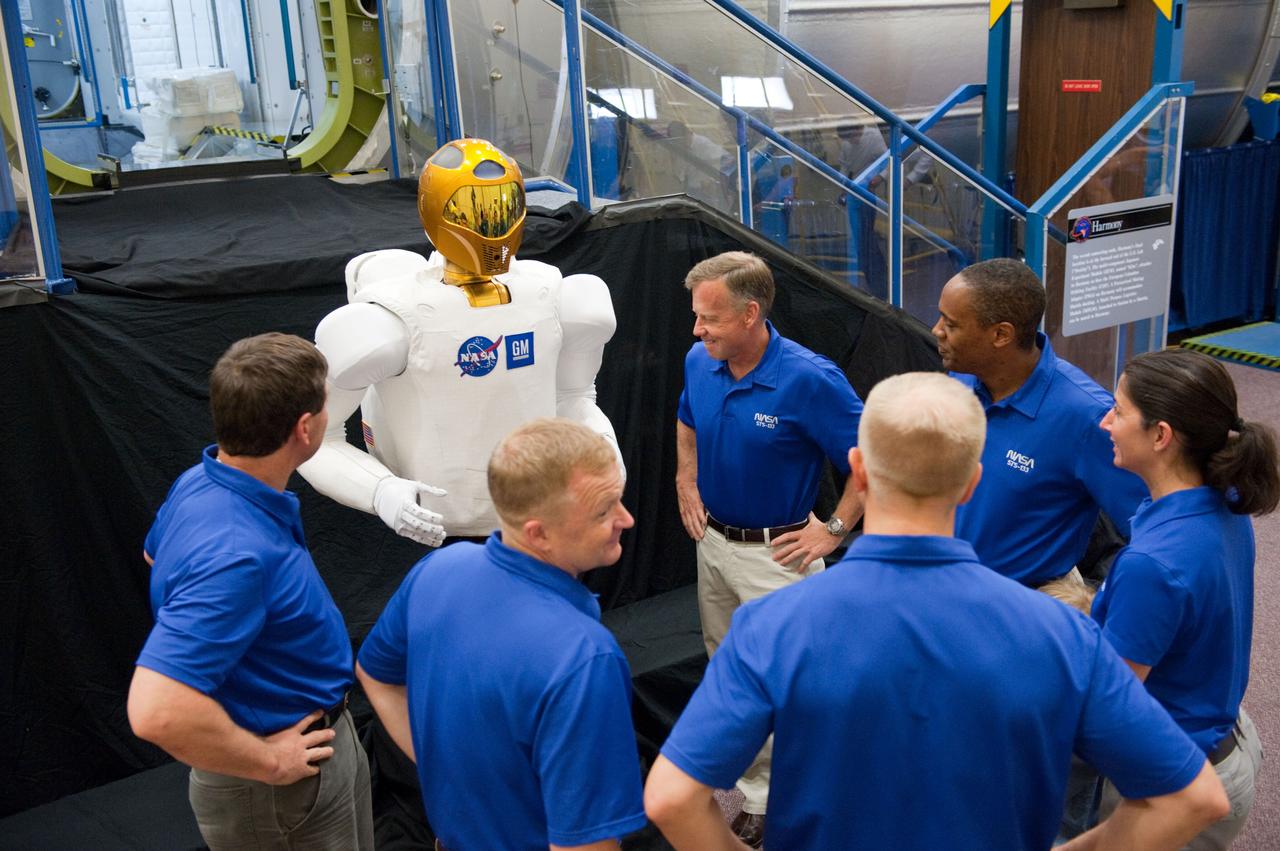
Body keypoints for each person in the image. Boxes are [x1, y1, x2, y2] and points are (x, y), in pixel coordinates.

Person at [645, 371, 1229, 850]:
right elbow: (1192, 798)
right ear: (972, 483)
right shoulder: (1062, 634)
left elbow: (673, 798)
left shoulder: (770, 627)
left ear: (860, 470)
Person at [299, 138, 621, 547]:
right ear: (437, 212)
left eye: (504, 207)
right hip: (436, 520)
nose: (493, 226)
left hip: (535, 515)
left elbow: (574, 397)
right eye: (475, 211)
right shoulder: (387, 323)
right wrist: (379, 490)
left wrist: (602, 450)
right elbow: (316, 440)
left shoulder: (557, 298)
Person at [127, 333, 372, 850]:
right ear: (304, 430)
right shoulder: (235, 557)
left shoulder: (202, 480)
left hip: (317, 746)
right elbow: (155, 711)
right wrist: (270, 761)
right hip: (280, 789)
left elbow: (156, 556)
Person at [356, 418, 647, 850]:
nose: (626, 519)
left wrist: (444, 768)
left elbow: (375, 675)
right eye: (604, 511)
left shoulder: (437, 571)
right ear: (539, 533)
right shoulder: (584, 658)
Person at [674, 251, 864, 845]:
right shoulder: (698, 361)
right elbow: (686, 422)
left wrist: (832, 530)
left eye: (709, 319)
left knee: (788, 686)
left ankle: (794, 801)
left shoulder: (811, 379)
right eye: (696, 317)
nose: (697, 330)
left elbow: (870, 463)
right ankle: (753, 789)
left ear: (751, 313)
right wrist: (685, 477)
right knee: (729, 671)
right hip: (714, 547)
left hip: (777, 559)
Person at [1091, 348, 1278, 848]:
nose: (1106, 421)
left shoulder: (1153, 564)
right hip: (1221, 745)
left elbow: (1109, 705)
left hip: (1172, 789)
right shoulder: (1224, 502)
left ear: (1161, 435)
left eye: (1119, 410)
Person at [933, 257, 1147, 586]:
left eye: (951, 324)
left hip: (1017, 617)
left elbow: (1152, 531)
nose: (937, 330)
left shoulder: (1089, 417)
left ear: (1001, 334)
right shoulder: (962, 379)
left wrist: (1102, 604)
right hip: (943, 594)